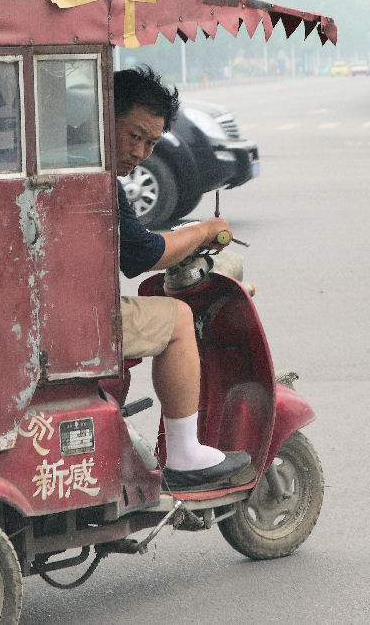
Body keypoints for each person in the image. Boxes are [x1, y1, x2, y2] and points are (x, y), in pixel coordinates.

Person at [113, 66, 252, 491]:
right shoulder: (96, 179)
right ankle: (185, 454)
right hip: (73, 319)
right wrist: (206, 231)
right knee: (175, 319)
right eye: (133, 136)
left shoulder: (82, 166)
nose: (139, 152)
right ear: (106, 116)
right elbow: (142, 254)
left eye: (150, 143)